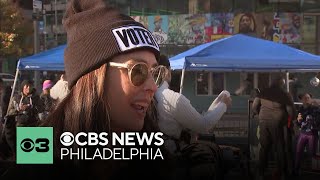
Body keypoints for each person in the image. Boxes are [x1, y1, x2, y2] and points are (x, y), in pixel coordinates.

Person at [1, 0, 171, 179]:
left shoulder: (157, 159)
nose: (153, 87)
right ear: (92, 76)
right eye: (139, 71)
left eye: (155, 73)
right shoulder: (36, 158)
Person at [155, 55, 232, 179]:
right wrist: (223, 105)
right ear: (167, 71)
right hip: (171, 158)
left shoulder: (145, 96)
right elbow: (204, 125)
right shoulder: (173, 98)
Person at [252, 74, 294, 180]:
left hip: (263, 121)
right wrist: (291, 120)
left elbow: (254, 106)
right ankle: (282, 174)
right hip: (277, 123)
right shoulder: (285, 94)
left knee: (264, 147)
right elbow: (291, 111)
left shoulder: (263, 92)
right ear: (281, 84)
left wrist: (260, 115)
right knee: (279, 148)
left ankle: (260, 173)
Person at [293, 92, 320, 175]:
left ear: (311, 99)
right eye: (305, 98)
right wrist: (298, 121)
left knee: (312, 154)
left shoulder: (316, 108)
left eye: (308, 98)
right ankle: (296, 170)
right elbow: (298, 123)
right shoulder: (300, 110)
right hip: (303, 133)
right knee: (298, 152)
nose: (307, 99)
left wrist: (313, 123)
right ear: (301, 100)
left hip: (312, 134)